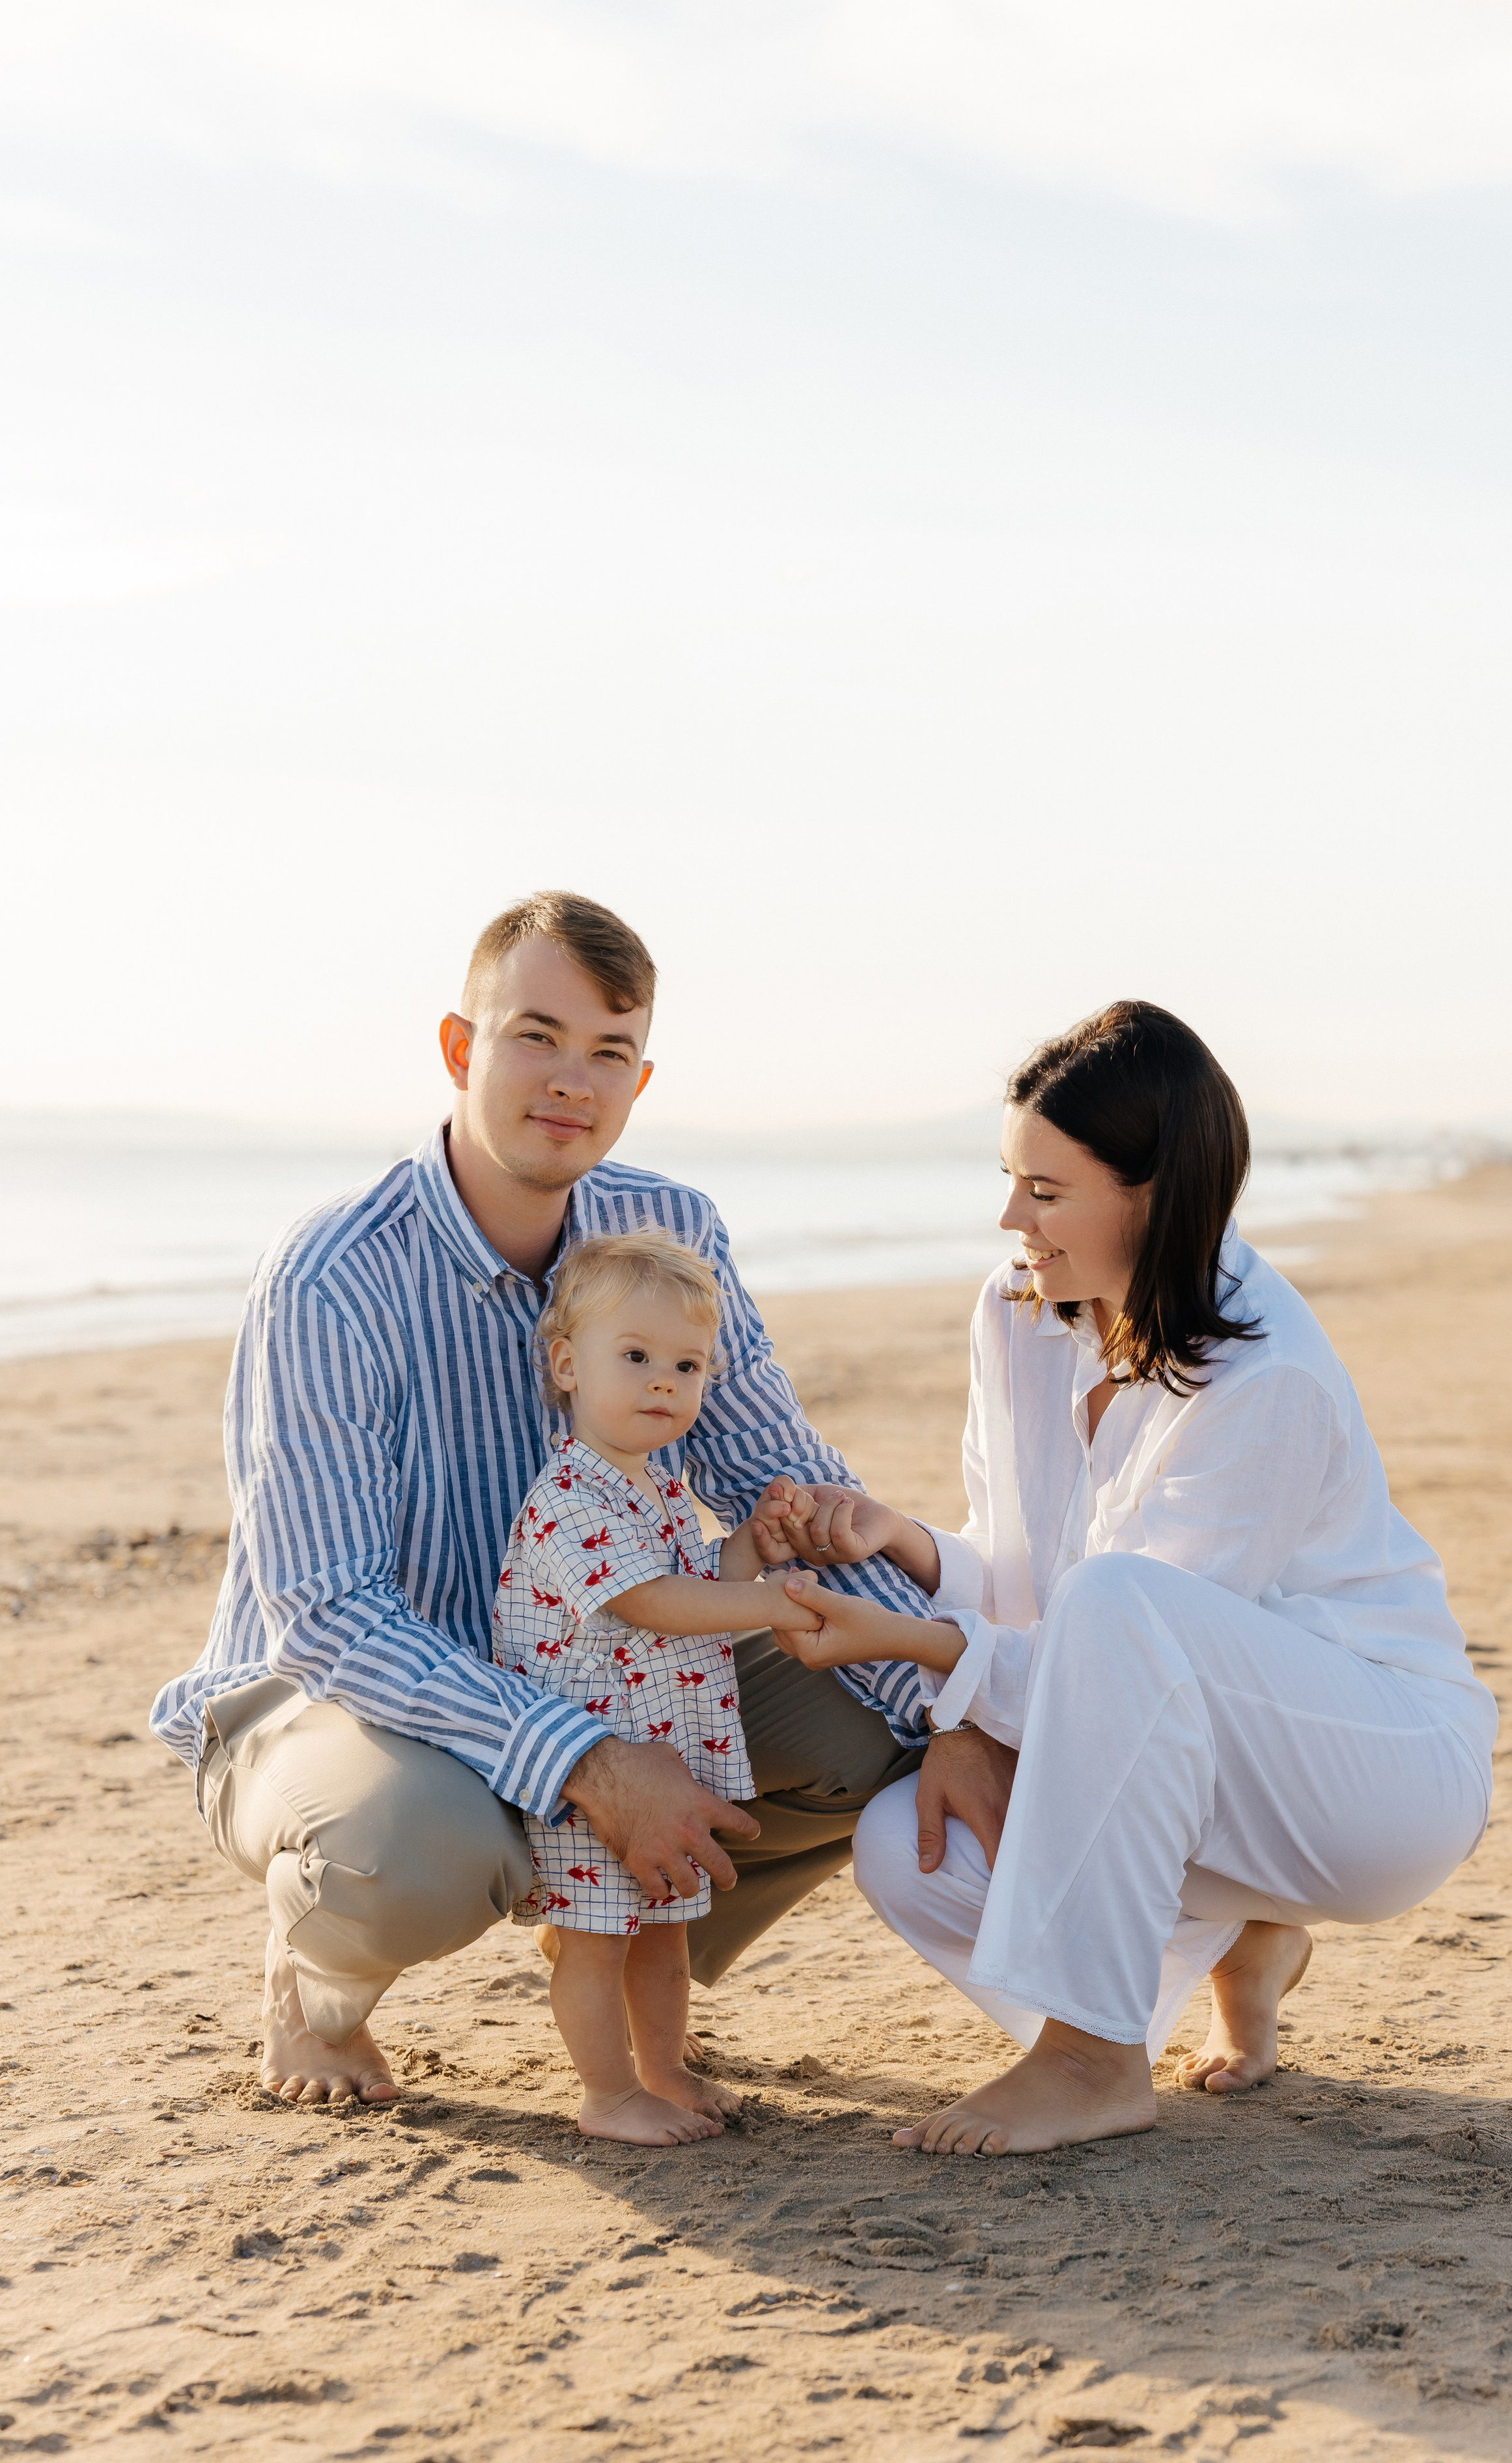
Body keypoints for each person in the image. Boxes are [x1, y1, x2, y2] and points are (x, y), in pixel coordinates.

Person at [149, 890, 1011, 2107]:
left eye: (609, 1052)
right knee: (419, 1853)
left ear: (639, 1080)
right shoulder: (333, 1276)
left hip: (605, 1656)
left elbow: (794, 1492)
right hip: (343, 1702)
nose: (571, 1080)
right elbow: (329, 1616)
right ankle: (317, 1985)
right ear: (462, 1048)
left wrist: (955, 1709)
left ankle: (621, 1929)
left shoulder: (668, 1230)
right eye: (536, 1036)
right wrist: (588, 1759)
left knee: (873, 1733)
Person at [761, 1000, 1499, 2156]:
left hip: (1379, 1768)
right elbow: (1027, 1572)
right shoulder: (1017, 1312)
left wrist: (927, 1659)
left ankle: (1092, 2058)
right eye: (1011, 1179)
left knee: (1114, 1605)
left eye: (1046, 1191)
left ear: (1152, 1195)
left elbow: (1117, 1637)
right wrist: (901, 1542)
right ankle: (1245, 1943)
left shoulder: (1266, 1374)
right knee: (910, 1849)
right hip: (1198, 1759)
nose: (1012, 1218)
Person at [494, 1228, 831, 2147]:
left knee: (664, 1935)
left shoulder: (658, 1487)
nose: (661, 1383)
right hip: (595, 1776)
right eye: (635, 1356)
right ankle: (606, 2092)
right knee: (597, 1943)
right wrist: (768, 1605)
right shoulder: (568, 1496)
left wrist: (753, 1545)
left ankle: (663, 2066)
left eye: (685, 1366)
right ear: (566, 1365)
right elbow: (654, 1601)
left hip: (667, 1763)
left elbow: (697, 1569)